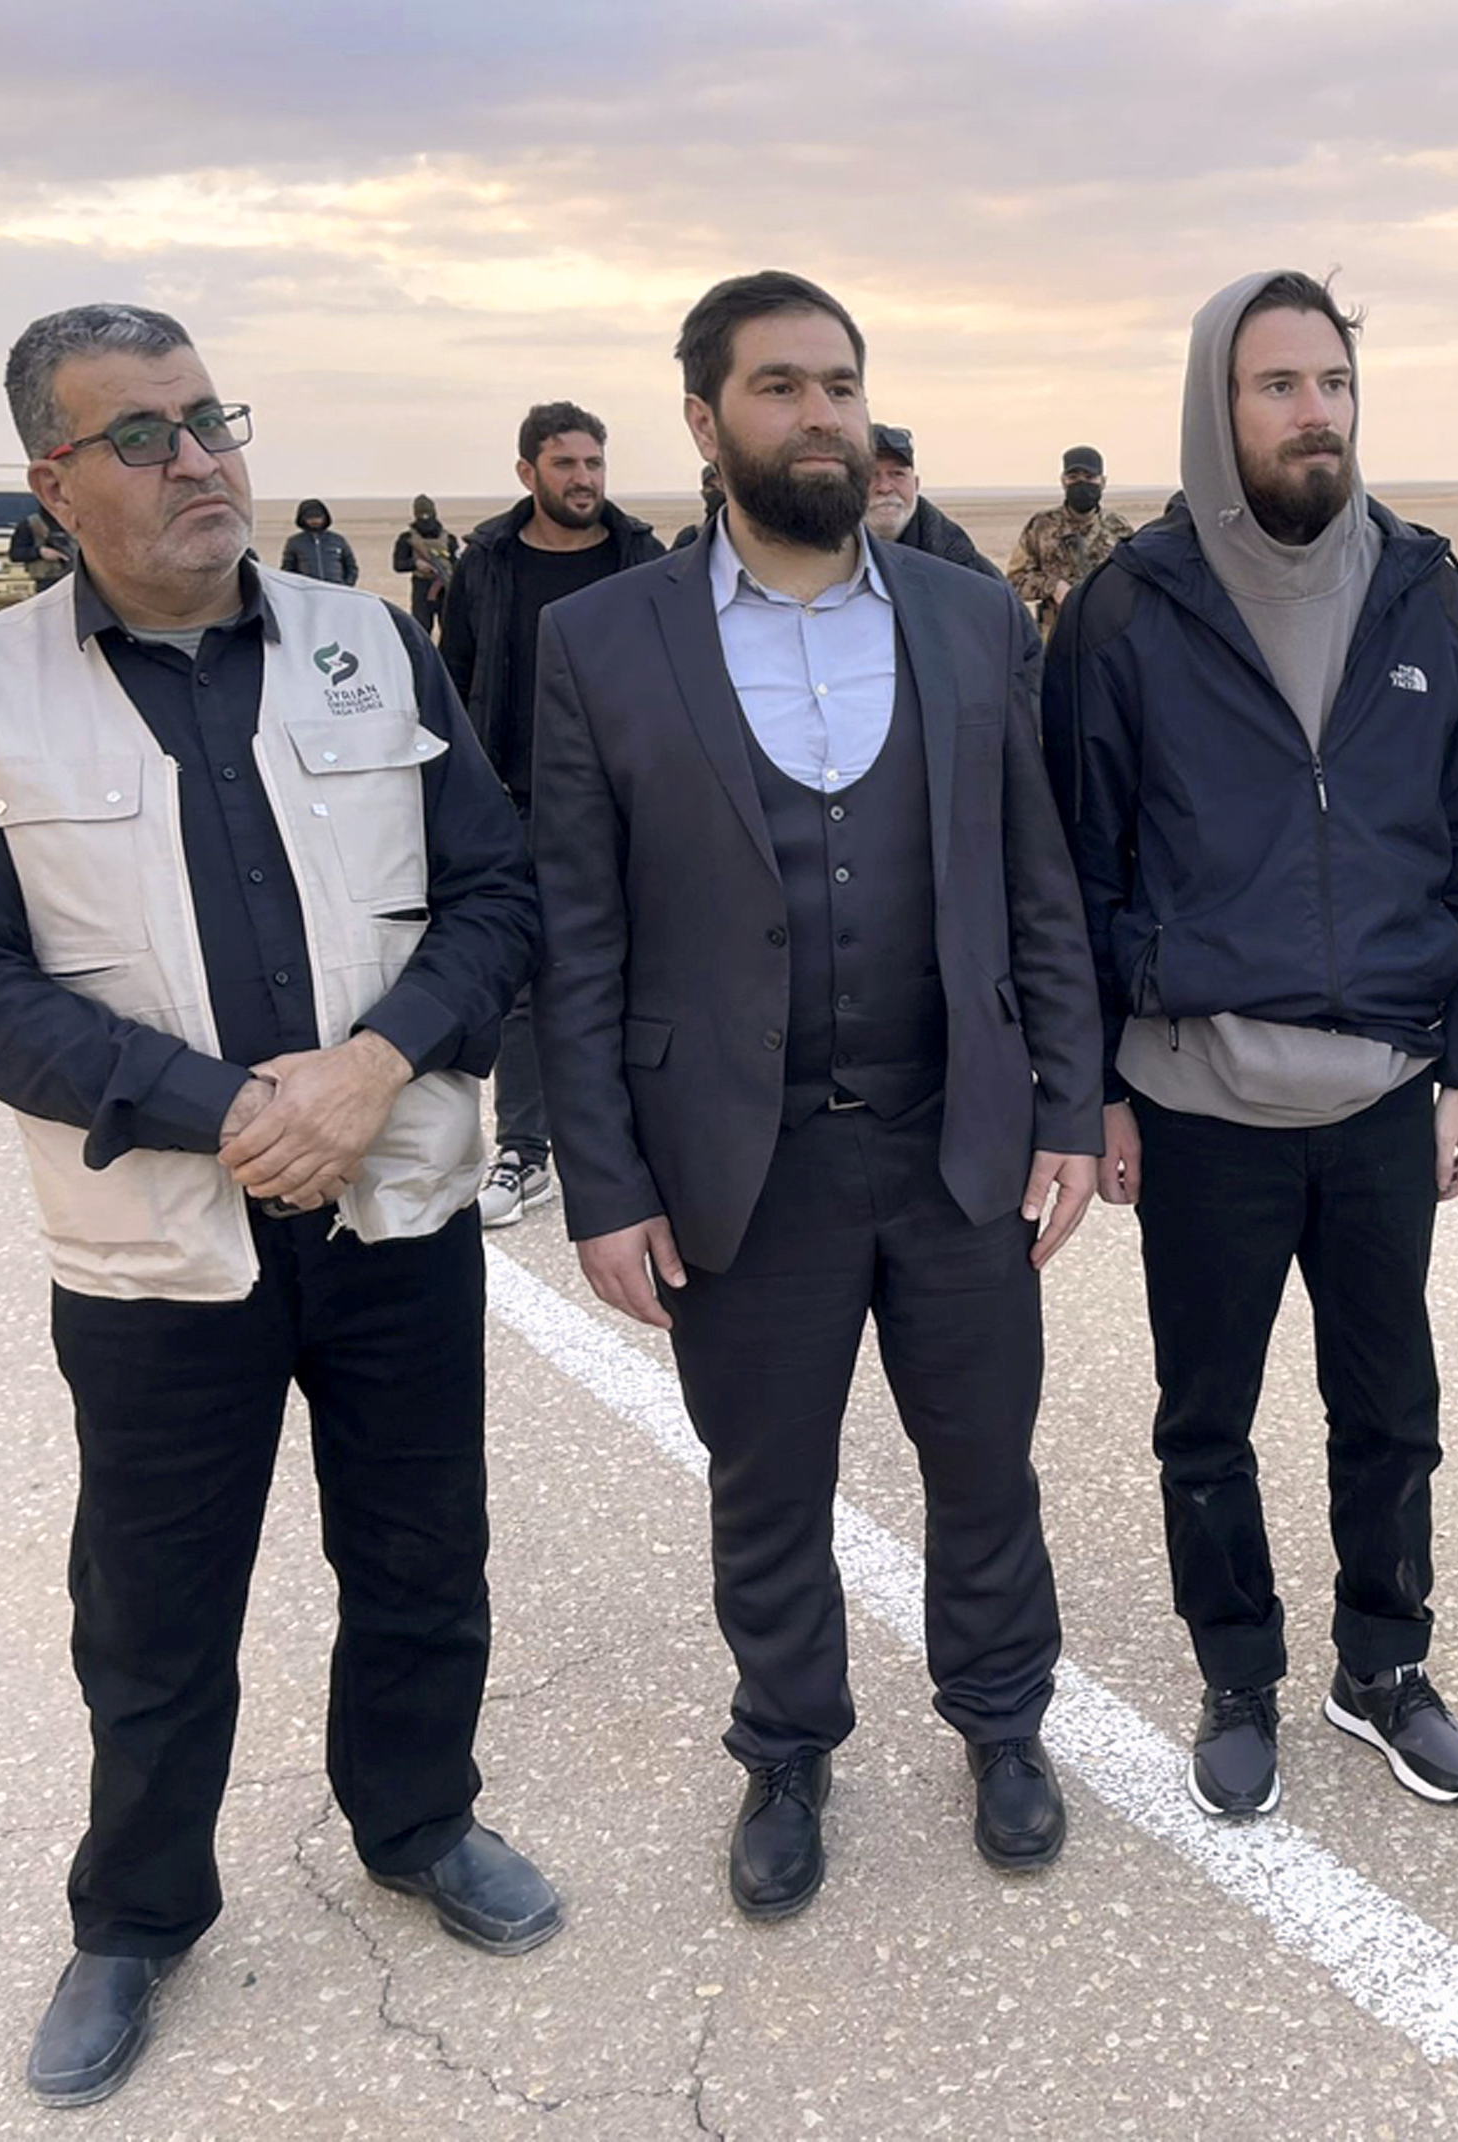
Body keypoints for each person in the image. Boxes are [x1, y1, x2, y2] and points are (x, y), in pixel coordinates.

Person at [0, 303, 552, 2109]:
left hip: (394, 1209)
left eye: (210, 420)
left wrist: (374, 1066)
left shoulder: (367, 644)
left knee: (421, 1558)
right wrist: (231, 1108)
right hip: (157, 1255)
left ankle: (419, 1821)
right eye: (147, 436)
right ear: (55, 479)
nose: (201, 462)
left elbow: (497, 894)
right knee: (155, 1604)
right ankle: (134, 1913)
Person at [535, 270, 1102, 1912]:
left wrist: (1067, 1106)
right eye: (780, 388)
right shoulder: (602, 642)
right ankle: (786, 1748)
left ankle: (1003, 1722)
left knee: (985, 1464)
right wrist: (607, 1182)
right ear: (706, 422)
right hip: (739, 1162)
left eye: (841, 385)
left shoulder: (970, 617)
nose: (822, 417)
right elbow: (578, 935)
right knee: (767, 1484)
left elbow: (1035, 881)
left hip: (955, 1142)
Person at [1044, 270, 1458, 1818]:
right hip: (1198, 1103)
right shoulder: (1128, 609)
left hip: (1381, 1089)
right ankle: (1236, 1672)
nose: (1316, 415)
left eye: (1333, 383)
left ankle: (1382, 1665)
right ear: (1214, 406)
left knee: (1391, 1411)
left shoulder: (1427, 586)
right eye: (1278, 386)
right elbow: (1079, 865)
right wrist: (1096, 1083)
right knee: (1207, 1420)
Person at [441, 401, 666, 1228]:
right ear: (527, 471)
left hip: (636, 802)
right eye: (566, 465)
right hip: (521, 802)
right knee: (527, 984)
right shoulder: (490, 561)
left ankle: (646, 1139)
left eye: (594, 465)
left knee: (648, 970)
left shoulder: (641, 556)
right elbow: (455, 675)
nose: (584, 480)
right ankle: (525, 1154)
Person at [1006, 445, 1133, 637]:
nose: (1081, 483)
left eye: (1089, 477)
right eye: (1074, 477)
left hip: (1107, 635)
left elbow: (1134, 585)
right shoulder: (1041, 526)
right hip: (1056, 635)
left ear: (1103, 481)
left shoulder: (1118, 528)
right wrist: (1053, 586)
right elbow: (1014, 581)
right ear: (1063, 481)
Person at [865, 423, 999, 579]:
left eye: (897, 474)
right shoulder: (832, 554)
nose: (885, 487)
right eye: (871, 475)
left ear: (916, 484)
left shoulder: (955, 558)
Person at [390, 493, 458, 637]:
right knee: (421, 632)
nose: (425, 519)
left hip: (445, 589)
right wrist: (415, 564)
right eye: (422, 514)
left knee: (450, 633)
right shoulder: (407, 539)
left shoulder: (449, 539)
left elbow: (458, 565)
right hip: (422, 588)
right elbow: (398, 565)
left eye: (427, 514)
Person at [277, 497, 358, 585]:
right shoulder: (294, 542)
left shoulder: (338, 540)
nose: (314, 521)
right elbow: (287, 571)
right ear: (303, 519)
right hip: (308, 592)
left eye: (318, 517)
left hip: (335, 590)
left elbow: (351, 568)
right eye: (310, 518)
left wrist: (346, 586)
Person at [11, 503, 80, 591]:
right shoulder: (31, 524)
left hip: (75, 577)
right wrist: (40, 552)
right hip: (47, 579)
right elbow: (15, 553)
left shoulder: (76, 522)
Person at [671, 463, 725, 552]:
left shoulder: (745, 539)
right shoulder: (690, 538)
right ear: (702, 492)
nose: (717, 491)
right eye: (711, 487)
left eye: (722, 486)